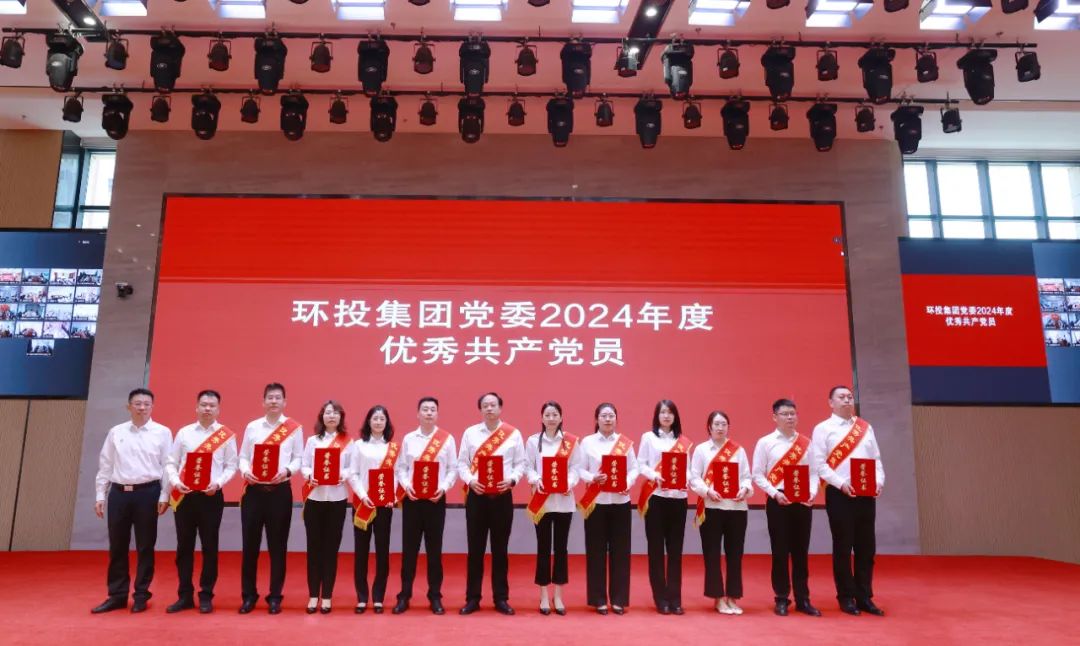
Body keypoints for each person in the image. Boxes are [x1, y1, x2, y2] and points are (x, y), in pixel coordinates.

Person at [91, 388, 171, 614]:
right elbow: (106, 465)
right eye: (137, 403)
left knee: (145, 545)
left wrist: (165, 495)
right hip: (119, 493)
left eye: (146, 404)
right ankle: (117, 595)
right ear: (129, 406)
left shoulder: (162, 432)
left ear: (152, 407)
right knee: (117, 545)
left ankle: (141, 595)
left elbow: (168, 466)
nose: (142, 408)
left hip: (148, 492)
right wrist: (100, 494)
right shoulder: (116, 432)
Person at [811, 386, 886, 617]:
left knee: (866, 547)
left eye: (849, 397)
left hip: (866, 494)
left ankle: (864, 596)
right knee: (843, 547)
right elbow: (820, 464)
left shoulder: (865, 427)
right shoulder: (823, 429)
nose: (846, 400)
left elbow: (876, 459)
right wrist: (841, 483)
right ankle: (845, 596)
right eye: (841, 397)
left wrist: (879, 481)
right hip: (839, 494)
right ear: (830, 402)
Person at [164, 389, 238, 614]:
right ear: (196, 407)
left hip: (211, 497)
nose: (207, 409)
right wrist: (176, 482)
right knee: (184, 547)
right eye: (204, 405)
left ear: (218, 409)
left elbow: (231, 466)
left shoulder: (226, 435)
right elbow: (171, 462)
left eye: (212, 405)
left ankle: (206, 595)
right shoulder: (184, 433)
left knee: (210, 547)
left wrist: (218, 483)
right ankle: (184, 595)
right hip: (185, 497)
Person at [457, 392, 528, 615]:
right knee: (475, 550)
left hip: (502, 497)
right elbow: (462, 464)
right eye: (485, 405)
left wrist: (512, 480)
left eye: (493, 405)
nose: (489, 408)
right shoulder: (470, 433)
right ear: (480, 409)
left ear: (500, 408)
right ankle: (472, 598)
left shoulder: (513, 434)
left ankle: (501, 598)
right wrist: (470, 481)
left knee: (500, 550)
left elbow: (521, 464)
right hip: (477, 496)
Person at [237, 382, 304, 615]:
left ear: (285, 402)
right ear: (263, 401)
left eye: (278, 398)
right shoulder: (252, 427)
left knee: (278, 547)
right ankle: (248, 596)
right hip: (253, 492)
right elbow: (243, 456)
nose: (273, 401)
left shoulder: (293, 428)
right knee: (250, 546)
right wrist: (246, 471)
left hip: (280, 492)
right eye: (270, 398)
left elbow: (299, 459)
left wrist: (286, 471)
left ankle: (275, 596)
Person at [752, 398, 820, 617]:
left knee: (801, 552)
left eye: (793, 413)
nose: (790, 417)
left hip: (802, 501)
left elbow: (814, 473)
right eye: (785, 414)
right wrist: (774, 493)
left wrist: (812, 493)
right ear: (775, 417)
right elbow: (757, 474)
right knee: (780, 551)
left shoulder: (806, 443)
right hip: (778, 500)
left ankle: (803, 599)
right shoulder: (765, 442)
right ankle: (781, 598)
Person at [392, 396, 457, 615]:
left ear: (437, 414)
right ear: (418, 414)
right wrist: (406, 486)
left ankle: (435, 596)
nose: (429, 413)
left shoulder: (447, 439)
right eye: (425, 409)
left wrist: (444, 488)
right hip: (412, 501)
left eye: (432, 409)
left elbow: (453, 469)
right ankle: (404, 595)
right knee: (409, 550)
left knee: (434, 550)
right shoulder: (409, 439)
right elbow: (401, 468)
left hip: (435, 501)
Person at [578, 402, 639, 615]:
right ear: (596, 419)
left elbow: (634, 468)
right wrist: (592, 477)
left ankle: (619, 599)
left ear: (616, 419)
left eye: (611, 415)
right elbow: (579, 469)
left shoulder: (625, 443)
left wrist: (627, 483)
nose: (607, 419)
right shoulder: (587, 442)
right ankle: (599, 599)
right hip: (596, 503)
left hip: (620, 503)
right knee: (596, 551)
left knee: (620, 551)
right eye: (603, 415)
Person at [689, 410, 752, 615]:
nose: (720, 427)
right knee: (712, 554)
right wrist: (707, 491)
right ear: (709, 427)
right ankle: (717, 598)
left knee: (735, 554)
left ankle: (733, 597)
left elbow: (746, 476)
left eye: (724, 424)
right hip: (711, 508)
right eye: (716, 424)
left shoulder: (738, 450)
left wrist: (745, 489)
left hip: (736, 508)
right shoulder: (701, 450)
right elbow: (694, 478)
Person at [524, 400, 583, 616]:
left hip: (564, 502)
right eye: (547, 415)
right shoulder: (533, 441)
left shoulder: (570, 442)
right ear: (542, 418)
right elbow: (527, 466)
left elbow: (576, 467)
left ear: (561, 417)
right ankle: (543, 595)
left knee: (561, 549)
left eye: (555, 414)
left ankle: (558, 595)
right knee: (543, 548)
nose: (551, 418)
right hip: (542, 503)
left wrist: (569, 482)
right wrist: (536, 479)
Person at [636, 399, 693, 615]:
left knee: (676, 551)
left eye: (670, 412)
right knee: (656, 550)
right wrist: (654, 475)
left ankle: (675, 599)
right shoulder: (648, 438)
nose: (666, 416)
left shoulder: (682, 441)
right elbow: (641, 464)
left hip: (678, 499)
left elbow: (688, 469)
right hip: (656, 498)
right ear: (657, 416)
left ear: (675, 416)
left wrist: (686, 479)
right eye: (663, 412)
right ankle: (660, 598)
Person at [300, 400, 352, 614]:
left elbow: (351, 468)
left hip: (337, 499)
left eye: (336, 413)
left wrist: (342, 475)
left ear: (341, 417)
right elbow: (304, 465)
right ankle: (313, 595)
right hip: (315, 499)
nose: (331, 416)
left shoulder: (348, 442)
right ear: (322, 416)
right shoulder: (313, 441)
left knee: (331, 549)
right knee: (314, 548)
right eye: (328, 412)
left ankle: (327, 596)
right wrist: (310, 476)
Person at [347, 405, 398, 614]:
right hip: (363, 504)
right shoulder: (358, 445)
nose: (378, 422)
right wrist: (363, 495)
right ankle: (361, 597)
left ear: (387, 423)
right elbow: (353, 474)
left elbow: (396, 474)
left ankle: (378, 597)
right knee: (361, 551)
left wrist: (392, 495)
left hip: (384, 506)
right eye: (375, 418)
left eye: (382, 419)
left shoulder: (392, 448)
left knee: (382, 551)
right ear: (368, 421)